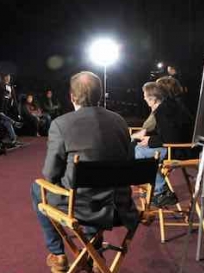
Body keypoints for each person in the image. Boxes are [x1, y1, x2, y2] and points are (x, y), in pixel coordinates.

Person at [30, 71, 136, 273]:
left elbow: (50, 174)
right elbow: (128, 162)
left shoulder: (61, 124)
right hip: (120, 207)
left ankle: (58, 254)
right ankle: (95, 253)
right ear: (100, 94)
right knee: (91, 189)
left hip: (83, 209)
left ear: (72, 96)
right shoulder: (120, 121)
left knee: (37, 187)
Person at [130, 81, 193, 207]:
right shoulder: (169, 106)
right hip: (185, 147)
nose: (143, 98)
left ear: (153, 99)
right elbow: (166, 132)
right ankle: (151, 187)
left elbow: (170, 138)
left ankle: (161, 192)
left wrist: (149, 140)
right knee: (138, 148)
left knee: (139, 151)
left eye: (145, 95)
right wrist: (148, 138)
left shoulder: (163, 111)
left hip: (177, 151)